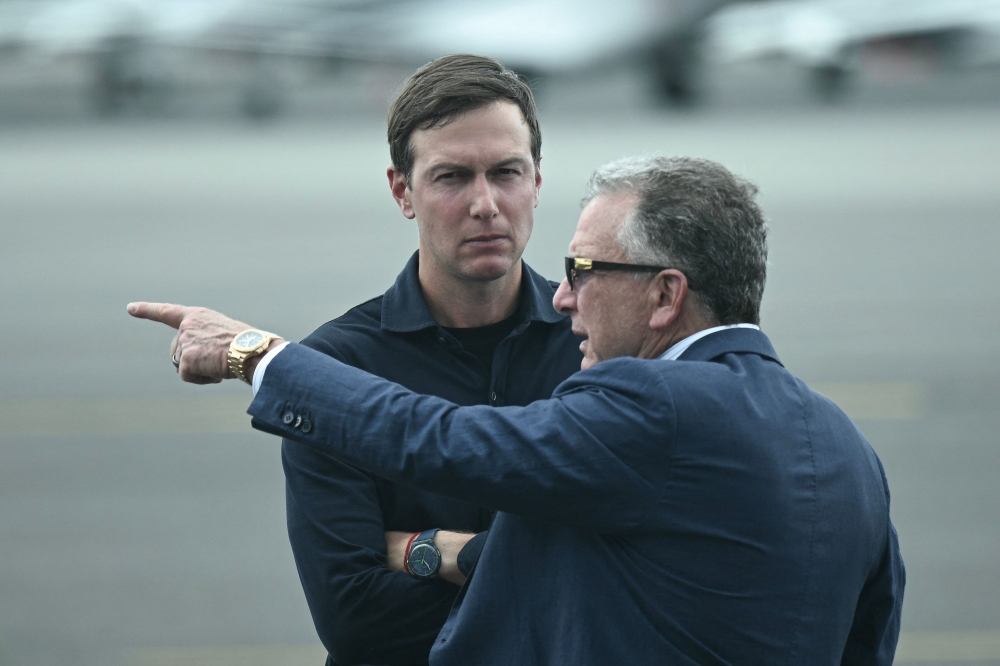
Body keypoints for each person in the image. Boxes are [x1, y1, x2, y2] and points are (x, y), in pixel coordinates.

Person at [129, 155, 905, 665]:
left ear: (666, 294)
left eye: (584, 271)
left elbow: (441, 438)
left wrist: (255, 355)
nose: (562, 295)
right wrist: (442, 550)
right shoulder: (847, 447)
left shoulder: (651, 405)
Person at [254, 55, 585, 665]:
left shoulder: (596, 345)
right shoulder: (335, 367)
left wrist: (426, 550)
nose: (485, 204)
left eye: (506, 172)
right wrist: (564, 595)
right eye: (452, 178)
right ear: (402, 191)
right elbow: (356, 618)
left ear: (537, 181)